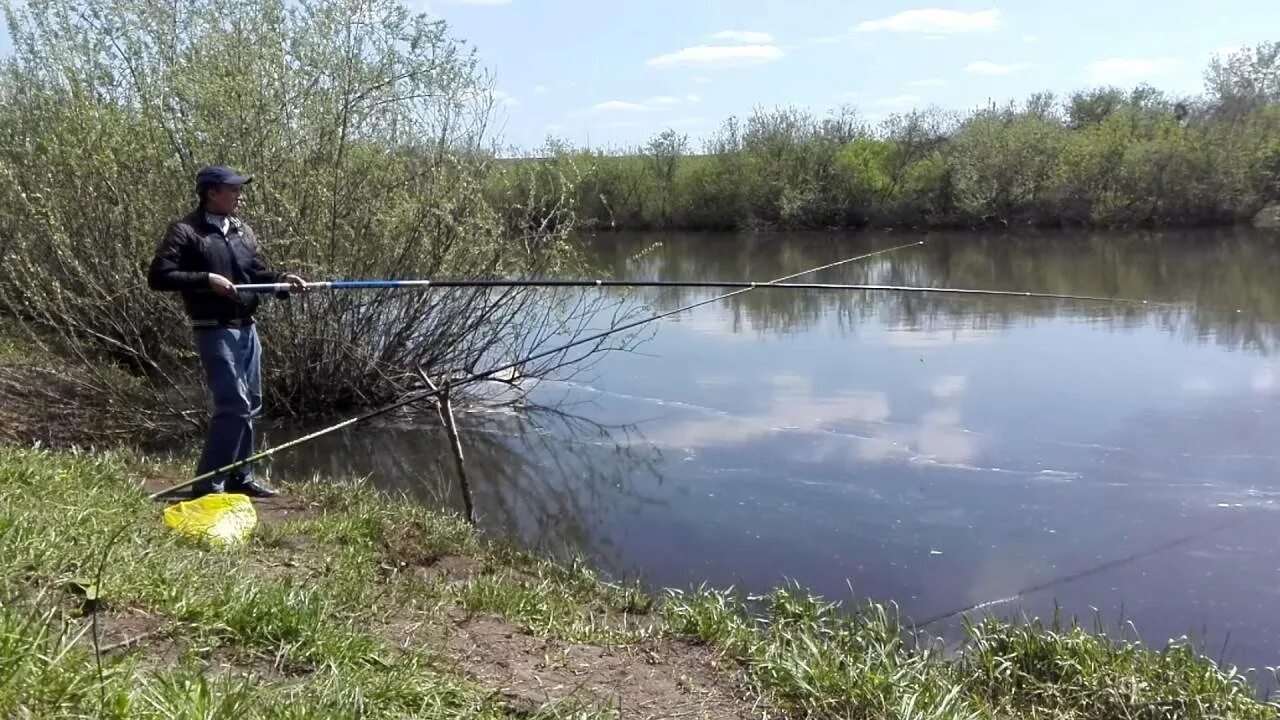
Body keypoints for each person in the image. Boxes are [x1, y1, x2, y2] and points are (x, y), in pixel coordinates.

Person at [147, 165, 308, 498]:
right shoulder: (185, 231)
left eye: (239, 189)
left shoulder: (241, 231)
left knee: (252, 404)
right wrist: (206, 280)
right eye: (233, 190)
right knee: (233, 404)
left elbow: (254, 274)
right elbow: (159, 276)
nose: (240, 195)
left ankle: (241, 478)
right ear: (211, 193)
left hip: (247, 328)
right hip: (214, 329)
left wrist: (283, 282)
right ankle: (208, 486)